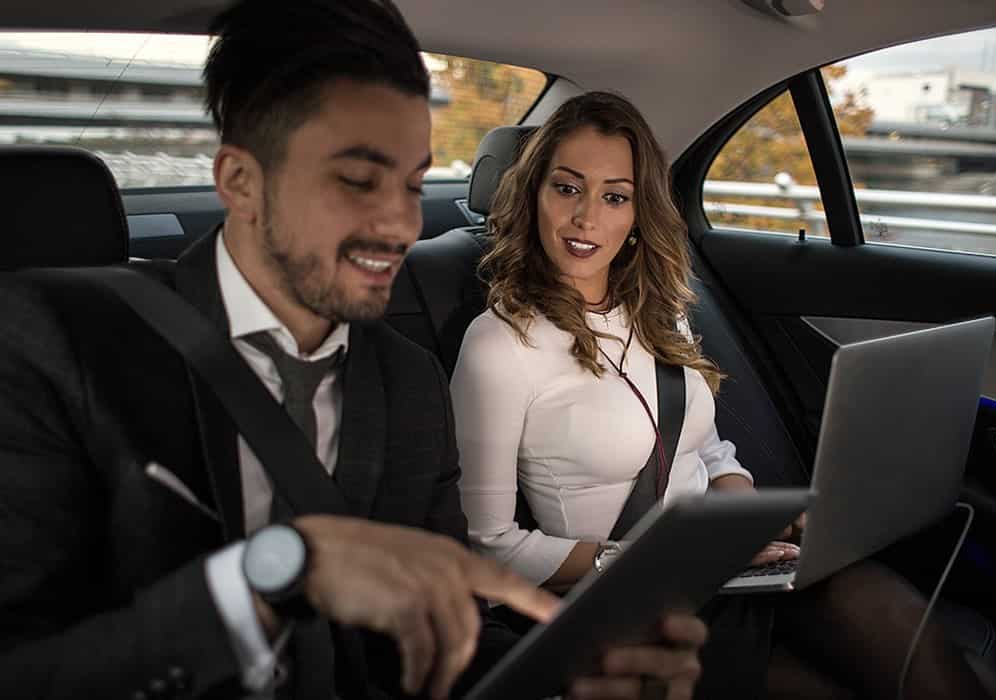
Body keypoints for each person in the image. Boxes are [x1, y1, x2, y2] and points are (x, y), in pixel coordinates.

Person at [0, 3, 710, 699]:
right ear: (241, 182)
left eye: (412, 183)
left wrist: (574, 676)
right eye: (358, 180)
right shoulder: (52, 348)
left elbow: (447, 642)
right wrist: (268, 580)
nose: (401, 222)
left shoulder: (409, 383)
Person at [451, 90, 990, 699]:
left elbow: (706, 449)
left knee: (902, 626)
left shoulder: (658, 312)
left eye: (615, 196)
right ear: (534, 194)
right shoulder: (499, 345)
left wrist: (747, 522)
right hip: (630, 603)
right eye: (567, 188)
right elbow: (489, 547)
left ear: (638, 213)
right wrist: (648, 558)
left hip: (727, 571)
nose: (586, 217)